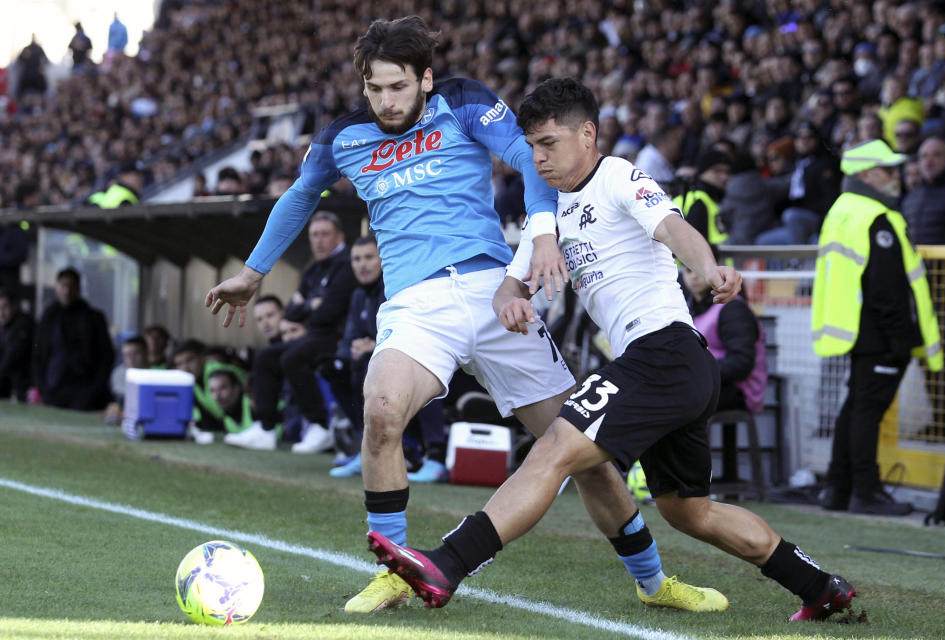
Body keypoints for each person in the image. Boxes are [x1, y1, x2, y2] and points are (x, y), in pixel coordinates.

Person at [206, 17, 720, 615]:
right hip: (415, 305)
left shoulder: (464, 101)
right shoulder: (341, 138)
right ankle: (395, 570)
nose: (385, 101)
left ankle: (654, 581)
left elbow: (530, 161)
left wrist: (544, 231)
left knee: (585, 455)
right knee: (380, 412)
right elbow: (300, 196)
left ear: (424, 79)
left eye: (398, 87)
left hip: (496, 294)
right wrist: (253, 272)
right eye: (374, 88)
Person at [369, 77, 857, 623]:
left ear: (588, 133)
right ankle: (821, 587)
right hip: (671, 369)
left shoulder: (618, 176)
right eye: (531, 147)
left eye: (550, 143)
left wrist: (708, 267)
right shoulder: (546, 218)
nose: (539, 158)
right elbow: (512, 284)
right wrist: (509, 302)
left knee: (552, 450)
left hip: (665, 352)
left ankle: (447, 564)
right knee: (689, 512)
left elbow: (675, 228)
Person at [813, 139, 942, 516]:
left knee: (855, 407)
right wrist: (902, 340)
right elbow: (887, 289)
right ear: (867, 174)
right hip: (881, 335)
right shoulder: (876, 216)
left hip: (856, 329)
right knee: (866, 412)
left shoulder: (843, 209)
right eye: (888, 170)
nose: (896, 176)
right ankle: (865, 492)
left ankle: (837, 489)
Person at [230, 211, 356, 452]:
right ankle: (265, 428)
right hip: (313, 335)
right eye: (314, 235)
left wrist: (307, 308)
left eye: (325, 234)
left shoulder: (346, 265)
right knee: (267, 356)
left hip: (337, 337)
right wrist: (312, 305)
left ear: (339, 237)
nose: (318, 240)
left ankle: (320, 425)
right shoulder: (313, 270)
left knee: (293, 356)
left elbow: (330, 311)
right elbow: (291, 312)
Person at [329, 237, 448, 481]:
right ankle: (369, 448)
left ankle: (434, 457)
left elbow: (414, 331)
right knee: (335, 368)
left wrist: (376, 345)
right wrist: (351, 350)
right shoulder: (358, 296)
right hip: (376, 361)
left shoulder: (399, 287)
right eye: (357, 259)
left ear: (383, 260)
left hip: (422, 356)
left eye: (369, 257)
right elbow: (349, 338)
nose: (362, 265)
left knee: (416, 367)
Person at [682, 263, 767, 485]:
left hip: (738, 390)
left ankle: (688, 482)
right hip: (708, 384)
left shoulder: (733, 309)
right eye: (688, 270)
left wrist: (696, 373)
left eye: (698, 268)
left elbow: (741, 363)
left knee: (675, 401)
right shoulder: (690, 308)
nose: (693, 276)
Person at [32, 267, 114, 410]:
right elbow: (38, 353)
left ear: (78, 288)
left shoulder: (93, 318)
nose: (67, 291)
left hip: (84, 387)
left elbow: (105, 355)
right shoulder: (49, 317)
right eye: (63, 285)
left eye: (71, 286)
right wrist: (42, 387)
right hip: (53, 387)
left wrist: (95, 389)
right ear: (57, 287)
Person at [674, 149, 733, 248]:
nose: (724, 177)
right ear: (702, 173)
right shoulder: (698, 201)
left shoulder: (709, 199)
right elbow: (694, 249)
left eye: (727, 172)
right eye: (717, 171)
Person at [105, 335, 149, 426]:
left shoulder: (157, 372)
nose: (131, 359)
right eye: (126, 355)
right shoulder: (119, 373)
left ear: (146, 353)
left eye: (135, 354)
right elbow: (122, 397)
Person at [0, 288, 33, 402]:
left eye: (5, 307)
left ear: (15, 306)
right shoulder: (3, 327)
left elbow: (11, 357)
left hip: (23, 387)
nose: (1, 312)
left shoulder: (23, 325)